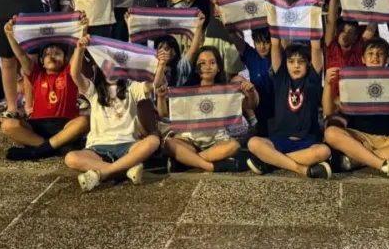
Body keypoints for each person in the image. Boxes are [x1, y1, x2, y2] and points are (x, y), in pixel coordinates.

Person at [64, 35, 162, 190]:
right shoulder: (93, 91)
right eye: (107, 65)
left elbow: (155, 84)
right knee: (71, 158)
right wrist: (79, 49)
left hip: (128, 145)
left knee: (153, 141)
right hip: (97, 147)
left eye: (116, 65)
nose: (112, 69)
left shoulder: (132, 88)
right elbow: (75, 74)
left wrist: (161, 64)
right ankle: (124, 170)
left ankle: (103, 173)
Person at [321, 37, 389, 179]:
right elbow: (328, 111)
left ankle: (358, 160)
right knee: (331, 133)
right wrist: (328, 85)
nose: (375, 57)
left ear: (387, 59)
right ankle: (381, 164)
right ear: (363, 59)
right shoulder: (352, 82)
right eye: (370, 53)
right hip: (361, 138)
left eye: (380, 54)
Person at [159, 33, 257, 173]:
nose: (207, 67)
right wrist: (161, 98)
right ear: (196, 67)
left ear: (219, 67)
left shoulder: (227, 90)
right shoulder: (187, 91)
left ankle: (187, 162)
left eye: (212, 62)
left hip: (217, 141)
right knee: (168, 143)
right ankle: (210, 165)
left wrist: (250, 92)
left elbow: (250, 105)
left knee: (234, 146)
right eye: (202, 63)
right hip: (189, 141)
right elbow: (164, 114)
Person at [0, 19, 89, 160]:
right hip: (38, 125)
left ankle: (38, 151)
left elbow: (79, 50)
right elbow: (21, 55)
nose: (52, 56)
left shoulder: (69, 73)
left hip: (65, 123)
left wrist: (83, 31)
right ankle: (55, 146)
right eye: (47, 54)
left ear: (65, 59)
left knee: (84, 122)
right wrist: (10, 35)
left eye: (57, 53)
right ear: (41, 61)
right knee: (8, 125)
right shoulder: (36, 74)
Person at [244, 35, 332, 177]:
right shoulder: (281, 80)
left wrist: (314, 23)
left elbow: (316, 47)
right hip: (280, 139)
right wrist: (275, 24)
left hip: (306, 141)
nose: (296, 65)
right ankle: (301, 169)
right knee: (253, 143)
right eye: (291, 61)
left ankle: (271, 161)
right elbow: (275, 44)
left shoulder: (312, 81)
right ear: (285, 63)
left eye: (301, 62)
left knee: (324, 151)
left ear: (308, 64)